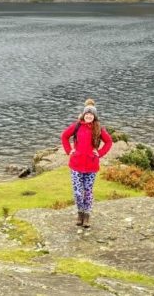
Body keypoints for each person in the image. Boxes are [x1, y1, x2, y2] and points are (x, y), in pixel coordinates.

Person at [61, 98, 113, 228]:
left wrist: (100, 153)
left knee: (88, 191)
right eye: (87, 114)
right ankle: (80, 213)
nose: (89, 116)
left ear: (94, 116)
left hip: (91, 166)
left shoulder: (99, 128)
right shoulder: (77, 126)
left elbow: (109, 142)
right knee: (78, 192)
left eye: (91, 114)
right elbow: (64, 136)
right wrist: (69, 150)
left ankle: (87, 215)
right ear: (84, 115)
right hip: (76, 166)